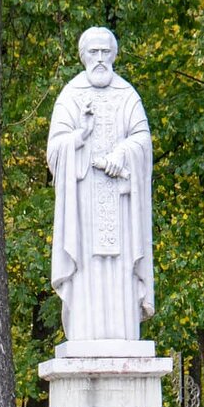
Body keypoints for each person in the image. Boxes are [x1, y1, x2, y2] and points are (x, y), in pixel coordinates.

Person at [48, 27, 154, 344]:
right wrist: (79, 137)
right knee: (86, 274)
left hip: (120, 212)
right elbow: (54, 150)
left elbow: (142, 140)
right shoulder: (70, 96)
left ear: (114, 55)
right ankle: (84, 335)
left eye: (105, 52)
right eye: (93, 52)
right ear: (83, 56)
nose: (99, 58)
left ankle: (123, 336)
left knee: (119, 272)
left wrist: (123, 154)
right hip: (83, 215)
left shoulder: (127, 95)